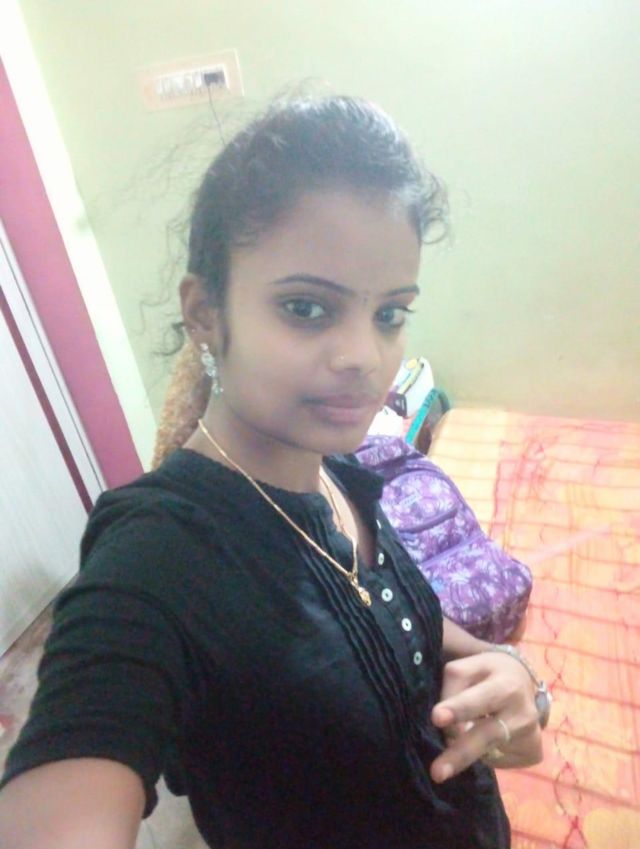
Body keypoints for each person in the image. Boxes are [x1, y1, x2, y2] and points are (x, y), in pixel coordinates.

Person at [0, 96, 546, 849]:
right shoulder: (156, 558)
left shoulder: (342, 470)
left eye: (390, 313)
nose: (364, 356)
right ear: (205, 312)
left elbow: (389, 617)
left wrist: (515, 675)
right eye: (306, 308)